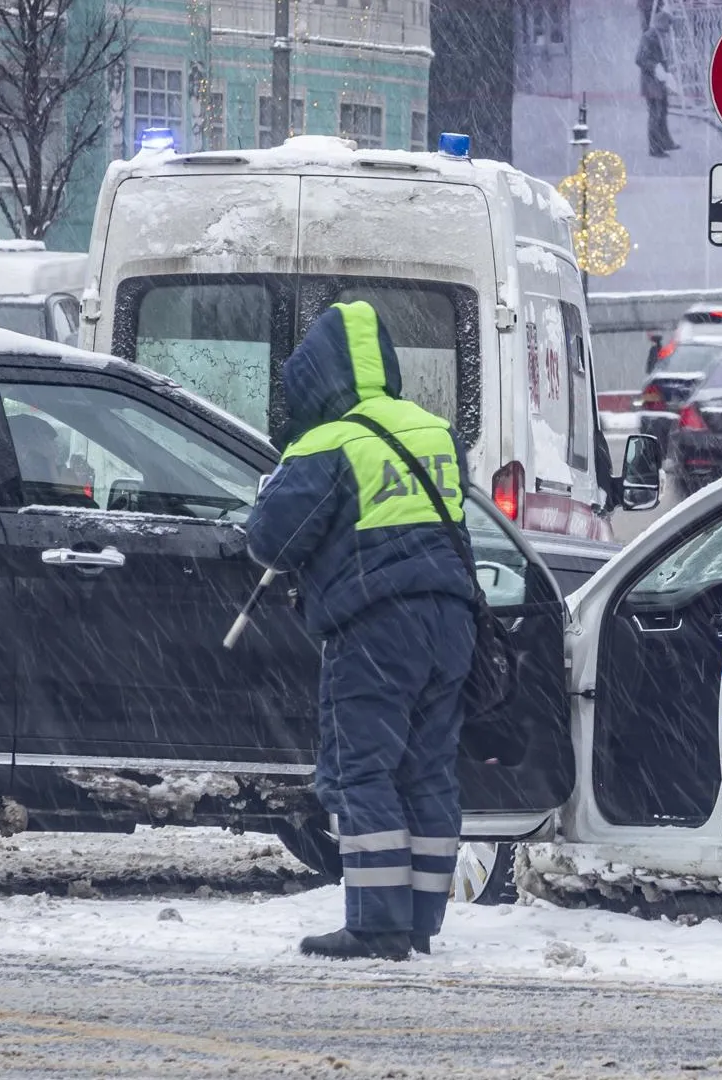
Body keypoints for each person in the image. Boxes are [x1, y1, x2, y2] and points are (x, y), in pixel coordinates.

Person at [247, 300, 476, 961]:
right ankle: (420, 920)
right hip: (452, 622)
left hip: (378, 627)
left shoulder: (329, 442)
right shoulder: (436, 432)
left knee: (359, 773)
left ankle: (375, 924)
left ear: (317, 374)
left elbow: (272, 541)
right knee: (427, 772)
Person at [636, 11, 678, 157]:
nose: (670, 27)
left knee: (663, 112)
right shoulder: (649, 37)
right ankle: (655, 149)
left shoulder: (661, 35)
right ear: (661, 23)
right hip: (651, 83)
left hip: (660, 81)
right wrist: (656, 67)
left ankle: (666, 142)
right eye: (668, 24)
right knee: (655, 115)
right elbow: (640, 59)